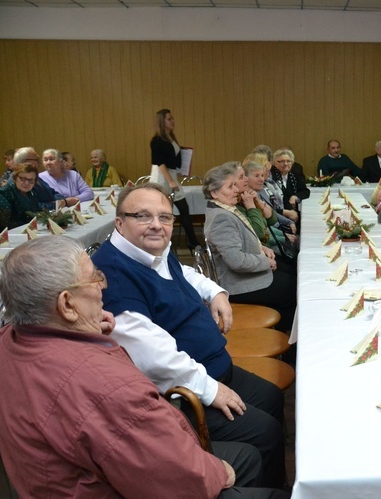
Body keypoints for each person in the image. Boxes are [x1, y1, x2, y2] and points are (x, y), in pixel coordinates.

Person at [0, 237, 286, 499]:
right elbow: (179, 477)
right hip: (112, 485)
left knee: (247, 454)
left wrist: (83, 329)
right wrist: (220, 472)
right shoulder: (107, 386)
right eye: (95, 279)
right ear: (67, 304)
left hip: (49, 480)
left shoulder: (8, 341)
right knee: (246, 466)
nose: (103, 288)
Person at [91, 183, 286, 489]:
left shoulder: (147, 249)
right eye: (143, 216)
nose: (157, 225)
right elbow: (154, 360)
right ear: (119, 223)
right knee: (265, 432)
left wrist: (215, 291)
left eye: (165, 217)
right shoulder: (114, 277)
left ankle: (275, 487)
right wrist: (211, 390)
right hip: (181, 394)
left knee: (273, 397)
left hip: (213, 365)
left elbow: (180, 270)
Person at [204, 164, 297, 330]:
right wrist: (264, 262)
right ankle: (288, 345)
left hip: (246, 276)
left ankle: (285, 335)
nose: (237, 190)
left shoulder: (224, 209)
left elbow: (242, 239)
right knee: (293, 291)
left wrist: (262, 247)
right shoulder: (221, 218)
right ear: (214, 193)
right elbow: (236, 261)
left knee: (293, 276)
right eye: (230, 186)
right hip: (239, 285)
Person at [149, 108, 201, 250]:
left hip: (171, 175)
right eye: (169, 119)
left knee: (184, 208)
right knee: (165, 211)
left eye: (172, 118)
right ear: (162, 121)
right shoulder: (157, 141)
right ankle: (165, 243)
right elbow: (160, 163)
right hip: (161, 177)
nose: (173, 121)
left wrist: (178, 173)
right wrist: (171, 181)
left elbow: (173, 160)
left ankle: (193, 242)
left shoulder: (171, 138)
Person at [0, 163, 42, 230]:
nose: (27, 183)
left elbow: (38, 213)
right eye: (23, 179)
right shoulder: (3, 194)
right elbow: (5, 224)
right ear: (15, 178)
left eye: (31, 180)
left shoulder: (32, 193)